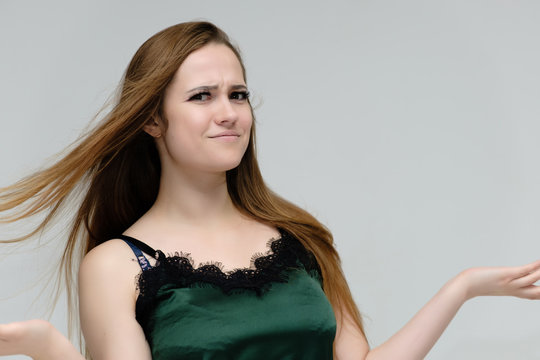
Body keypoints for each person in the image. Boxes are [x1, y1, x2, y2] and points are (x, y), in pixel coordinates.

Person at [0, 21, 539, 360]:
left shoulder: (302, 241)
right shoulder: (117, 265)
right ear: (152, 121)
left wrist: (462, 289)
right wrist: (45, 347)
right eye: (202, 97)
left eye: (238, 94)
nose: (229, 113)